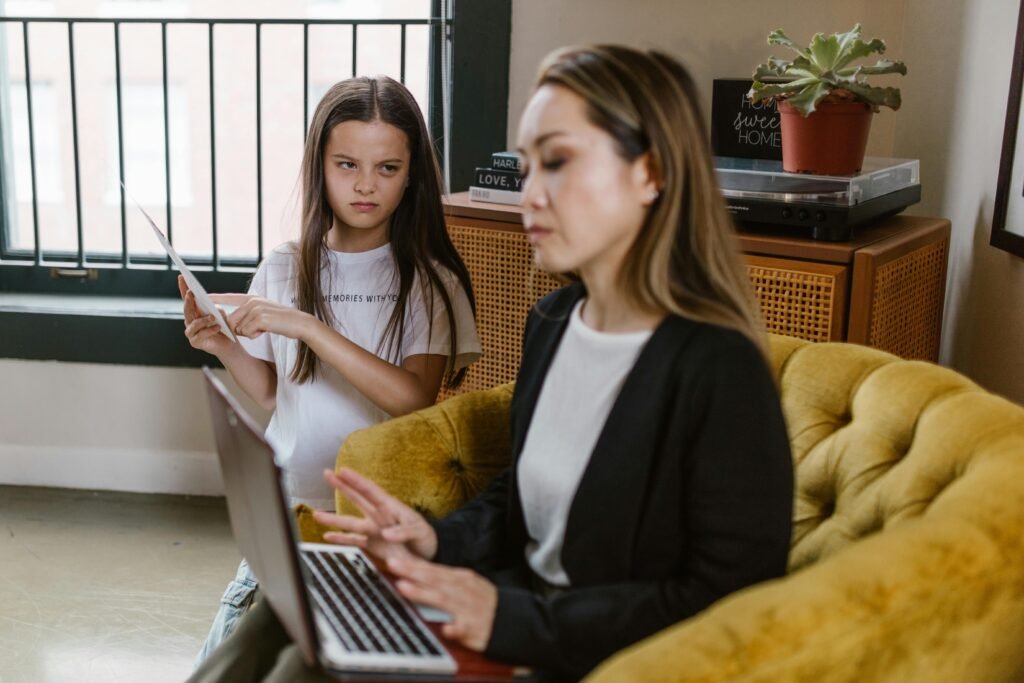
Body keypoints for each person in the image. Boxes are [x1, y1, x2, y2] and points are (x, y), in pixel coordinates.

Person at [189, 45, 793, 682]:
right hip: (510, 607)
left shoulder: (721, 368)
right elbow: (518, 498)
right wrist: (433, 540)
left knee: (297, 672)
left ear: (650, 173)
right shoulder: (556, 324)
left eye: (556, 163)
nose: (530, 195)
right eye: (527, 168)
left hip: (578, 648)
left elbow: (729, 604)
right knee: (283, 616)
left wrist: (506, 619)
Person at [180, 76, 480, 665]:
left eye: (387, 168)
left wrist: (310, 326)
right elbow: (272, 390)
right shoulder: (285, 265)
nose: (365, 184)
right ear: (320, 165)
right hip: (289, 508)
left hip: (373, 525)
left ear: (412, 174)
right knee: (223, 661)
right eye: (346, 164)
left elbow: (413, 398)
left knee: (323, 660)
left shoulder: (429, 279)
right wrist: (225, 347)